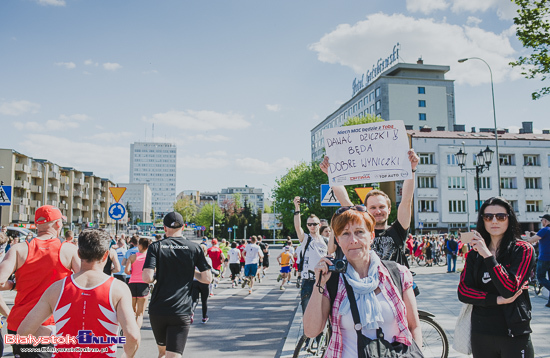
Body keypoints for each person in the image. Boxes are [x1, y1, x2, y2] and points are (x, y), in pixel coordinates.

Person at [303, 205, 422, 358]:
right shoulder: (332, 280)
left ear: (371, 236)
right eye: (345, 234)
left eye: (359, 232)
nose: (353, 240)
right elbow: (311, 331)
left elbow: (414, 327)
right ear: (338, 240)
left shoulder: (397, 273)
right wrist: (318, 285)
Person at [17, 229, 140, 357]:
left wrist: (54, 333)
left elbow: (24, 331)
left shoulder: (57, 288)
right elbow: (132, 336)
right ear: (105, 255)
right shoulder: (118, 288)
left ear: (79, 254)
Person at [458, 197, 535, 358]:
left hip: (514, 333)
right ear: (483, 221)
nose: (494, 221)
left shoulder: (522, 249)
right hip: (482, 332)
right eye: (488, 217)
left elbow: (509, 288)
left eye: (501, 216)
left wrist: (487, 254)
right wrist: (496, 300)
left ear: (509, 219)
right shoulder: (474, 254)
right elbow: (464, 292)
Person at [0, 205, 81, 358]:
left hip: (19, 322)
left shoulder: (18, 249)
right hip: (49, 324)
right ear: (58, 224)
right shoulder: (68, 250)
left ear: (37, 224)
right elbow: (85, 284)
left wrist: (13, 286)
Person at [320, 149, 419, 267]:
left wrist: (412, 169)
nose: (378, 211)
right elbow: (344, 200)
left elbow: (406, 200)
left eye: (382, 207)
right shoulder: (358, 231)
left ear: (389, 209)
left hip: (393, 284)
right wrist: (331, 173)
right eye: (373, 207)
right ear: (365, 209)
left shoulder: (397, 230)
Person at [142, 212, 212, 358]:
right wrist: (191, 271)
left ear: (164, 228)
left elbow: (147, 277)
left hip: (158, 308)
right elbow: (207, 279)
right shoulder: (195, 248)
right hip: (181, 310)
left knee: (162, 352)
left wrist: (158, 276)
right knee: (174, 355)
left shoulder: (156, 247)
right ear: (184, 227)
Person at [293, 197, 328, 312]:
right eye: (309, 224)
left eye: (314, 224)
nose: (312, 226)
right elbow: (298, 227)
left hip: (324, 281)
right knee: (308, 314)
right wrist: (297, 208)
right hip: (308, 281)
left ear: (319, 225)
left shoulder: (326, 241)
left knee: (323, 314)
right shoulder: (306, 239)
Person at [125, 237, 151, 328]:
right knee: (140, 314)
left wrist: (133, 272)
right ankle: (136, 332)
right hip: (143, 285)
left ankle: (129, 329)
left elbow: (126, 271)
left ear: (139, 245)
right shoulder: (149, 257)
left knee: (132, 312)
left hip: (132, 284)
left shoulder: (132, 257)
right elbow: (154, 271)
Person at [526, 213, 550, 307]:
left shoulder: (544, 230)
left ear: (545, 221)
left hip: (544, 258)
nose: (541, 222)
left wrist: (528, 235)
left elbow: (530, 241)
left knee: (540, 277)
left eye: (542, 220)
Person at [191, 245, 212, 324]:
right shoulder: (207, 259)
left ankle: (192, 312)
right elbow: (209, 269)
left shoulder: (193, 259)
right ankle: (204, 317)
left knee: (195, 299)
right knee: (204, 300)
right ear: (205, 252)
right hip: (204, 282)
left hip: (195, 281)